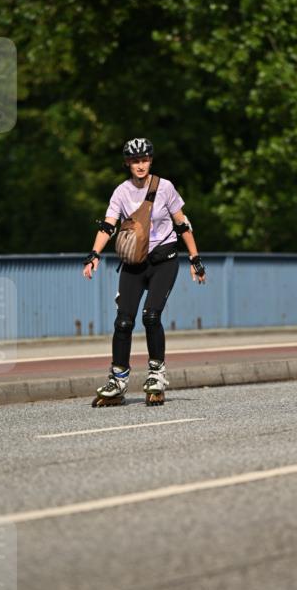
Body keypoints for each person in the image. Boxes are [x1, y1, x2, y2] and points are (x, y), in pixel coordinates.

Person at [83, 137, 206, 405]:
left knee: (151, 316)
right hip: (134, 263)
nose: (140, 165)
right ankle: (117, 379)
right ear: (127, 163)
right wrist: (94, 255)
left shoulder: (165, 188)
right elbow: (108, 225)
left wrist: (195, 259)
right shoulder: (121, 192)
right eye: (135, 160)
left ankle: (156, 375)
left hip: (164, 260)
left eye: (145, 159)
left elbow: (182, 223)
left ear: (151, 160)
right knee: (123, 321)